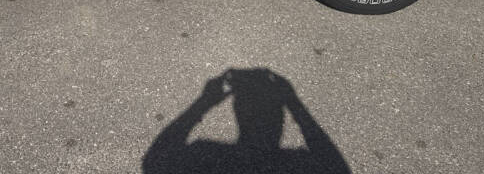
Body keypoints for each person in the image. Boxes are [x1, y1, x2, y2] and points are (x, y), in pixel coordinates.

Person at [143, 68, 350, 174]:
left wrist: (204, 102)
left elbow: (157, 160)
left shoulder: (206, 152)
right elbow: (334, 165)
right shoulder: (297, 162)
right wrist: (293, 102)